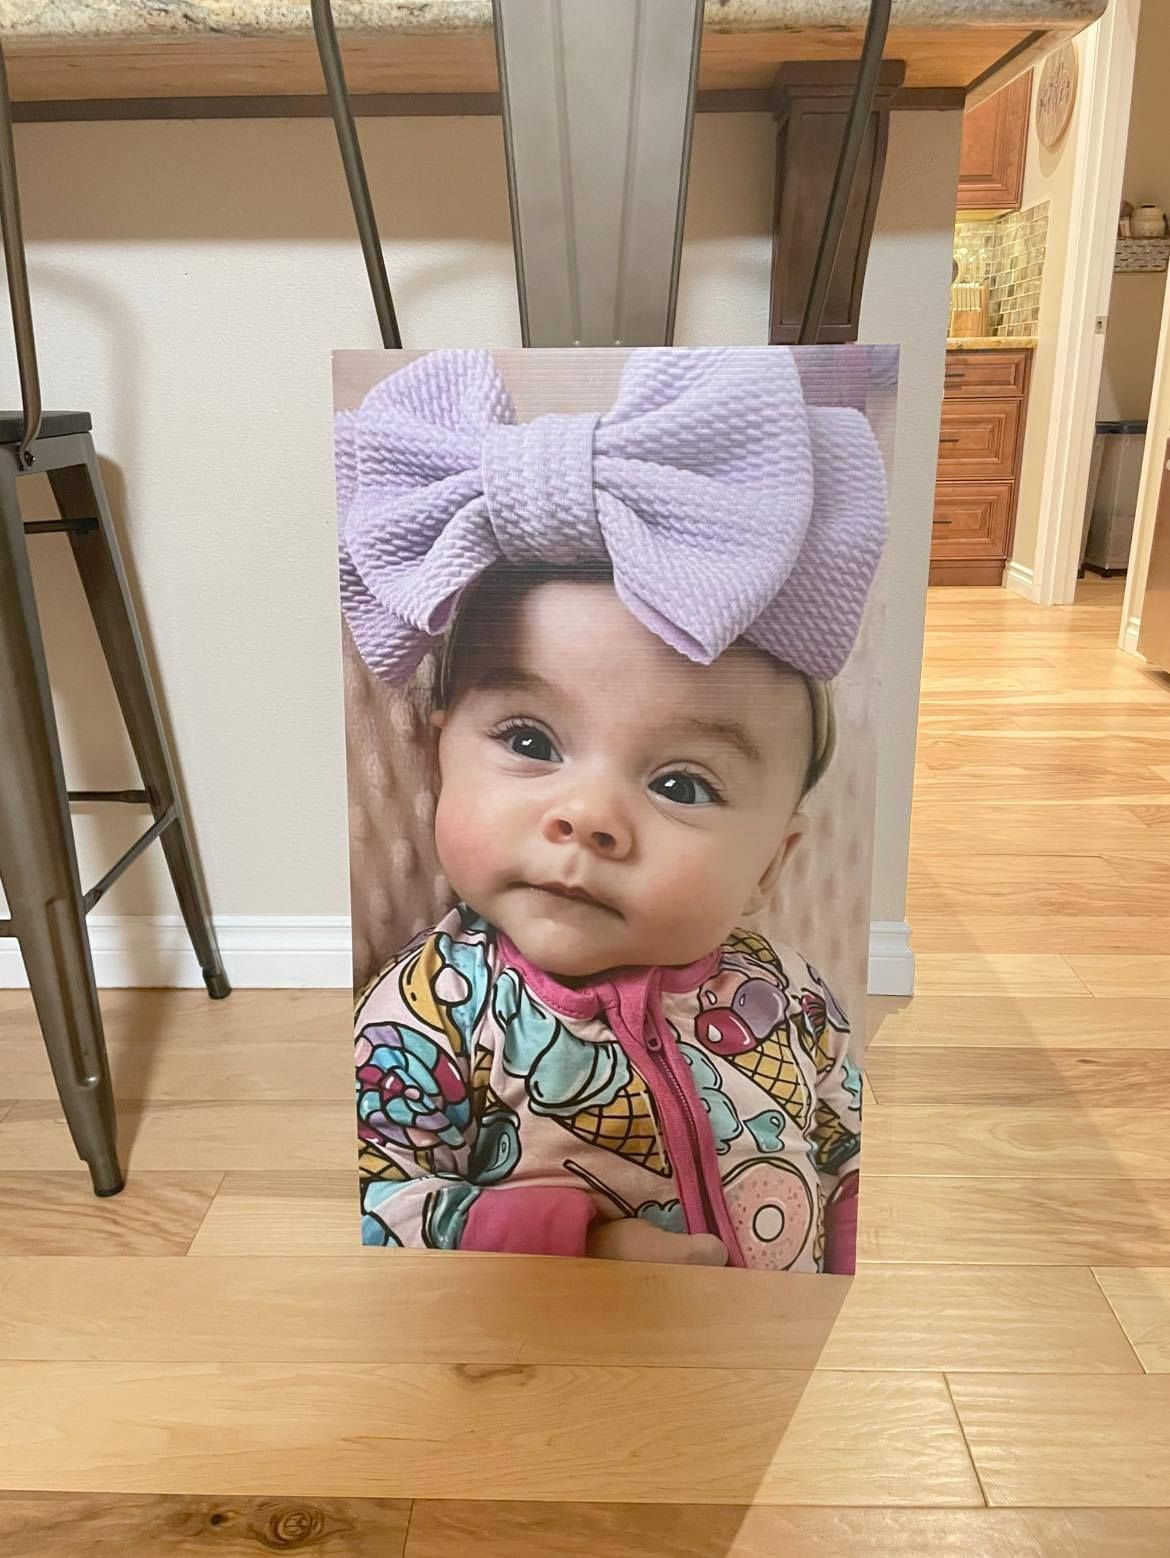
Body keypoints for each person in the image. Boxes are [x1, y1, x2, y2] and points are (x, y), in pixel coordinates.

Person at [338, 346, 886, 1271]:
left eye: (681, 785)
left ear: (768, 867)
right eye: (529, 741)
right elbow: (369, 1201)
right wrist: (578, 1248)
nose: (588, 815)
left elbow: (849, 1158)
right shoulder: (425, 1013)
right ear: (436, 752)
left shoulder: (796, 1000)